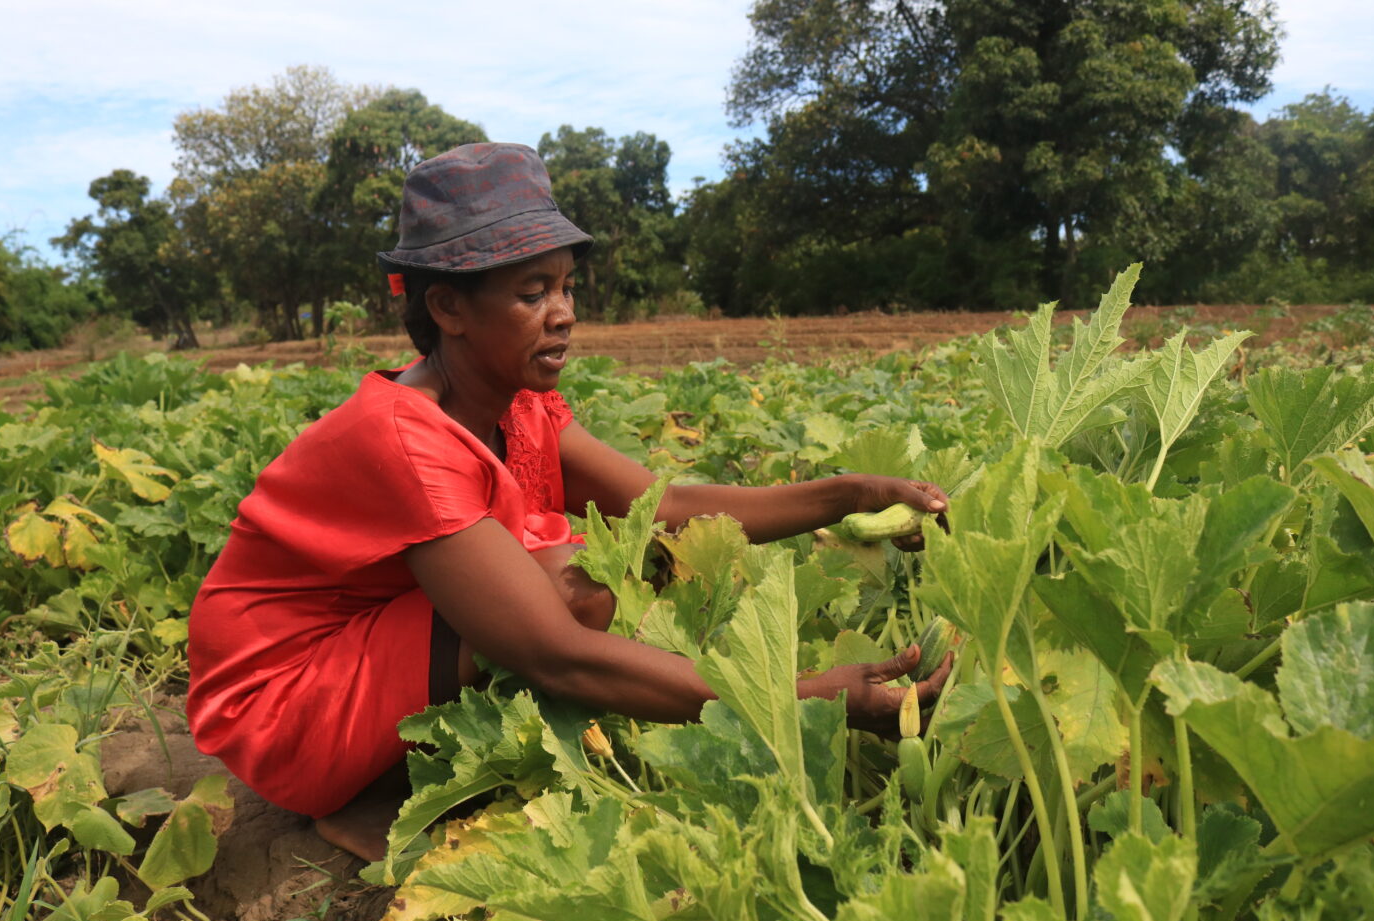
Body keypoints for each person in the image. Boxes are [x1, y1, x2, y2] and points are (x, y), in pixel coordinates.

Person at [185, 143, 952, 862]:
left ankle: (419, 761)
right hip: (280, 702)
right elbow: (554, 651)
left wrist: (851, 492)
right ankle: (366, 788)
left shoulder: (515, 404)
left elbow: (667, 507)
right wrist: (803, 698)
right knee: (570, 590)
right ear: (449, 309)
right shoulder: (404, 439)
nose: (564, 312)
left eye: (565, 285)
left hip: (359, 650)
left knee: (613, 562)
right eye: (532, 292)